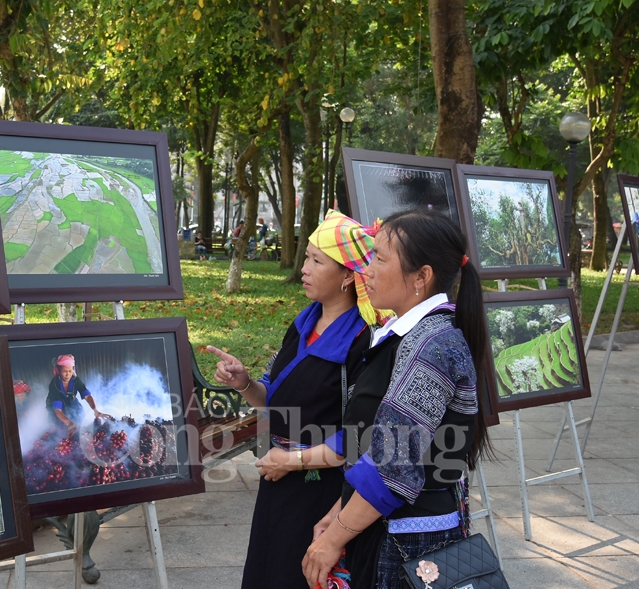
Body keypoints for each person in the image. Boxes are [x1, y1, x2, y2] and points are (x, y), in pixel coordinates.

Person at [302, 209, 492, 589]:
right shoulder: (410, 335)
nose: (367, 271)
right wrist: (339, 511)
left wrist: (333, 539)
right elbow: (375, 444)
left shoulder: (432, 345)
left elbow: (393, 466)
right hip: (389, 529)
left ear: (421, 277)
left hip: (410, 545)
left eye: (380, 259)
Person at [207, 211, 388, 589]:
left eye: (316, 261)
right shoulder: (303, 323)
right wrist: (244, 383)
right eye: (306, 257)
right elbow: (272, 396)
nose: (304, 268)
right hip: (278, 479)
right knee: (267, 570)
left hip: (323, 490)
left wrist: (291, 461)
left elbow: (361, 437)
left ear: (347, 276)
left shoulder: (364, 342)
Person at [46, 354, 113, 435]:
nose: (68, 375)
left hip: (70, 400)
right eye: (65, 371)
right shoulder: (54, 384)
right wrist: (69, 422)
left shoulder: (75, 380)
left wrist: (96, 410)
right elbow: (57, 410)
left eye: (70, 371)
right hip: (55, 405)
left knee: (79, 416)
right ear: (59, 371)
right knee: (58, 426)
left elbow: (87, 396)